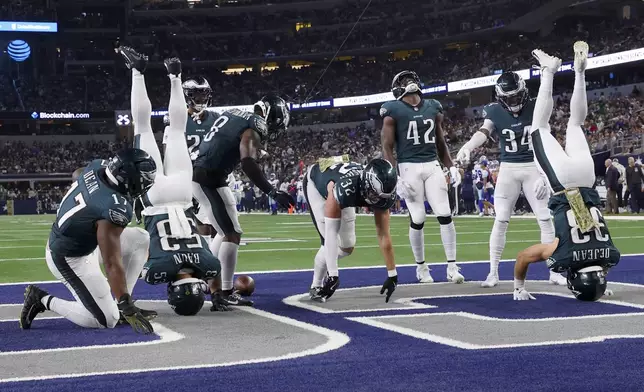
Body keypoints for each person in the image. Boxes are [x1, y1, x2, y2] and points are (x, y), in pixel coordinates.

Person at [120, 47, 228, 315]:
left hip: (181, 196)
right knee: (142, 127)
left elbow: (213, 267)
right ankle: (137, 71)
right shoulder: (157, 273)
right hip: (155, 200)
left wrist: (216, 295)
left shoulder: (210, 267)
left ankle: (175, 76)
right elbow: (140, 256)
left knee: (177, 130)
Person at [513, 42, 620, 301]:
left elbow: (600, 261)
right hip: (562, 183)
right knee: (539, 128)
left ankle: (580, 72)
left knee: (575, 123)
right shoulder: (563, 256)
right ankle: (547, 72)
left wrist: (601, 281)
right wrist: (519, 286)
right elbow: (525, 256)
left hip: (586, 178)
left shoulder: (611, 257)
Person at [20, 148, 157, 333]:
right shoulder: (113, 207)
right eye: (144, 180)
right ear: (129, 178)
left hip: (87, 239)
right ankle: (41, 298)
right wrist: (127, 304)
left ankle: (121, 305)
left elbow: (77, 173)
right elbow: (111, 263)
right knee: (106, 319)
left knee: (140, 238)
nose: (148, 184)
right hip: (69, 258)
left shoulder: (98, 166)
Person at [457, 71, 566, 288]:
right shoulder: (494, 111)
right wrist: (468, 145)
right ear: (500, 97)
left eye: (516, 96)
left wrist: (546, 174)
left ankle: (554, 271)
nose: (513, 102)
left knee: (545, 218)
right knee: (501, 220)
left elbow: (546, 137)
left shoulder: (536, 105)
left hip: (533, 166)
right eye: (509, 98)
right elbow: (483, 131)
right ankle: (493, 273)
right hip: (508, 168)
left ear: (524, 92)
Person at [192, 94, 295, 306]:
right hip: (208, 178)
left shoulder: (235, 115)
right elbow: (247, 163)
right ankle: (224, 290)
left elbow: (229, 142)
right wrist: (272, 192)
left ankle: (205, 276)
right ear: (273, 117)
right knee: (230, 234)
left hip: (210, 176)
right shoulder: (254, 124)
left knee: (228, 232)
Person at [380, 70, 464, 284]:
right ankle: (421, 268)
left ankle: (452, 267)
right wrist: (394, 176)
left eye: (410, 79)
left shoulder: (433, 106)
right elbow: (387, 146)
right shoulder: (393, 109)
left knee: (445, 213)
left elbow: (440, 141)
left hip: (431, 163)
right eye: (404, 81)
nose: (408, 83)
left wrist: (451, 165)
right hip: (409, 166)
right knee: (418, 218)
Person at [305, 156, 399, 302]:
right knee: (329, 240)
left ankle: (325, 276)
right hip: (319, 183)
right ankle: (316, 285)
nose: (378, 201)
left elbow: (383, 234)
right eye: (374, 195)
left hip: (345, 182)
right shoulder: (343, 188)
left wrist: (392, 274)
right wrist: (333, 275)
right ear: (366, 184)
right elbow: (331, 233)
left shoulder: (380, 192)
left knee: (347, 246)